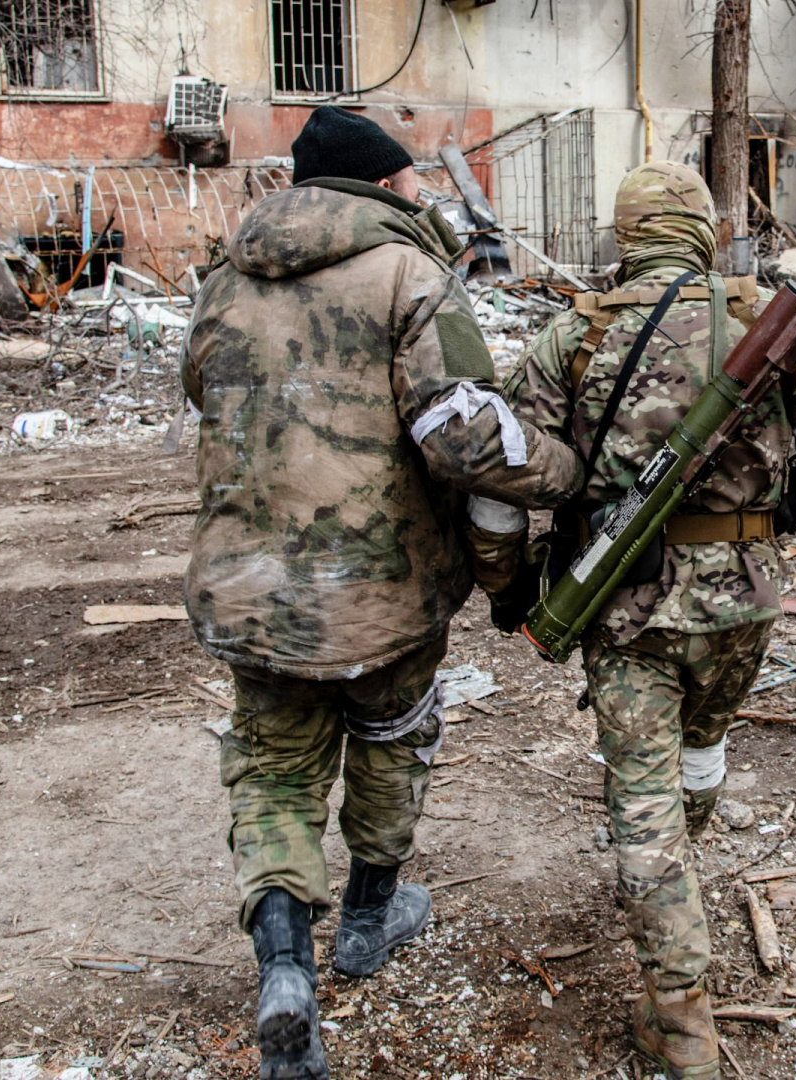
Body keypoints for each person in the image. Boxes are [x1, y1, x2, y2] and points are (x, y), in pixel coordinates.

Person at [181, 105, 583, 1080]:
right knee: (395, 742)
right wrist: (566, 474)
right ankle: (367, 919)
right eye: (412, 178)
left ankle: (285, 967)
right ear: (388, 185)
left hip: (252, 594)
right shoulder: (412, 274)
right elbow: (464, 437)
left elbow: (205, 390)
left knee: (273, 771)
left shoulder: (224, 279)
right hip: (386, 596)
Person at [473, 162, 796, 1080]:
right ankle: (675, 886)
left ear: (625, 237)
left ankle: (683, 1021)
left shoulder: (571, 337)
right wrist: (768, 526)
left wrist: (507, 592)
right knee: (702, 749)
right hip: (746, 598)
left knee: (643, 802)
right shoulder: (772, 322)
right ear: (701, 228)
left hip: (621, 604)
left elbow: (496, 492)